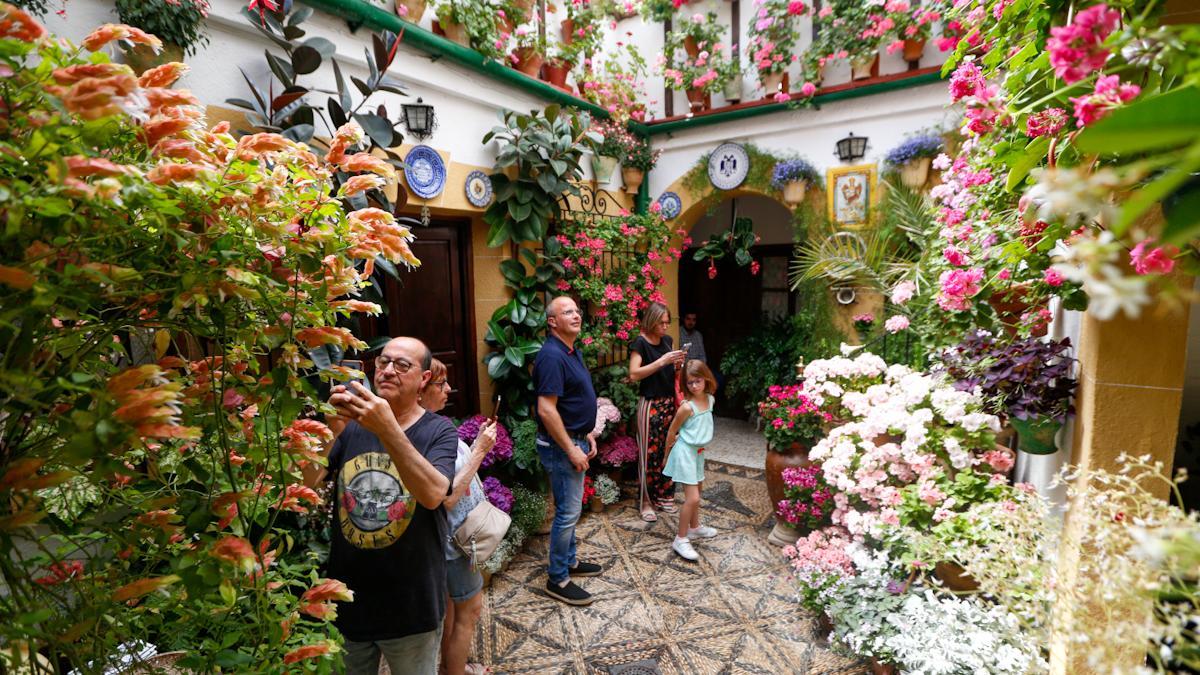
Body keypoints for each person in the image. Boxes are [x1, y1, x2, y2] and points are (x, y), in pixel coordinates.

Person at [305, 337, 459, 675]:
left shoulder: (439, 431)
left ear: (424, 379)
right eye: (383, 362)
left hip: (412, 606)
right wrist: (330, 429)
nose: (388, 370)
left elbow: (434, 494)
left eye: (402, 365)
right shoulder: (349, 427)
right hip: (348, 600)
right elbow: (304, 485)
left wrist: (387, 427)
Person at [419, 360, 497, 675]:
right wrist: (478, 450)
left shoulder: (430, 424)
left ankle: (452, 666)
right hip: (454, 542)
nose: (449, 389)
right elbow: (446, 498)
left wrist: (474, 443)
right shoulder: (427, 433)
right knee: (469, 611)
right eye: (441, 384)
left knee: (452, 610)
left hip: (448, 541)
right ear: (420, 390)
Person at [532, 296, 603, 606]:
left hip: (576, 438)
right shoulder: (551, 355)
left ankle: (570, 561)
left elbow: (572, 400)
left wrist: (586, 434)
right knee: (568, 512)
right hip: (561, 446)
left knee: (569, 509)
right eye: (567, 312)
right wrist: (571, 448)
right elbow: (546, 410)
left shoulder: (571, 351)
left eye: (576, 310)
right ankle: (558, 577)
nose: (576, 315)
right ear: (552, 322)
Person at [628, 302, 687, 523]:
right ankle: (646, 501)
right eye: (661, 322)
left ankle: (665, 495)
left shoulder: (668, 341)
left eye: (667, 322)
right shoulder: (640, 344)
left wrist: (677, 365)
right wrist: (662, 361)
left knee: (668, 450)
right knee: (647, 453)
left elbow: (670, 374)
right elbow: (634, 374)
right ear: (651, 321)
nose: (665, 327)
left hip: (668, 403)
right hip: (650, 404)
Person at [662, 360, 719, 561]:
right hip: (685, 452)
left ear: (706, 379)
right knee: (692, 498)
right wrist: (666, 455)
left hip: (698, 452)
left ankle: (694, 527)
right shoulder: (687, 407)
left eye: (697, 381)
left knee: (699, 491)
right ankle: (681, 538)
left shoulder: (710, 400)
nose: (694, 386)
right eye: (689, 383)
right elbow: (672, 431)